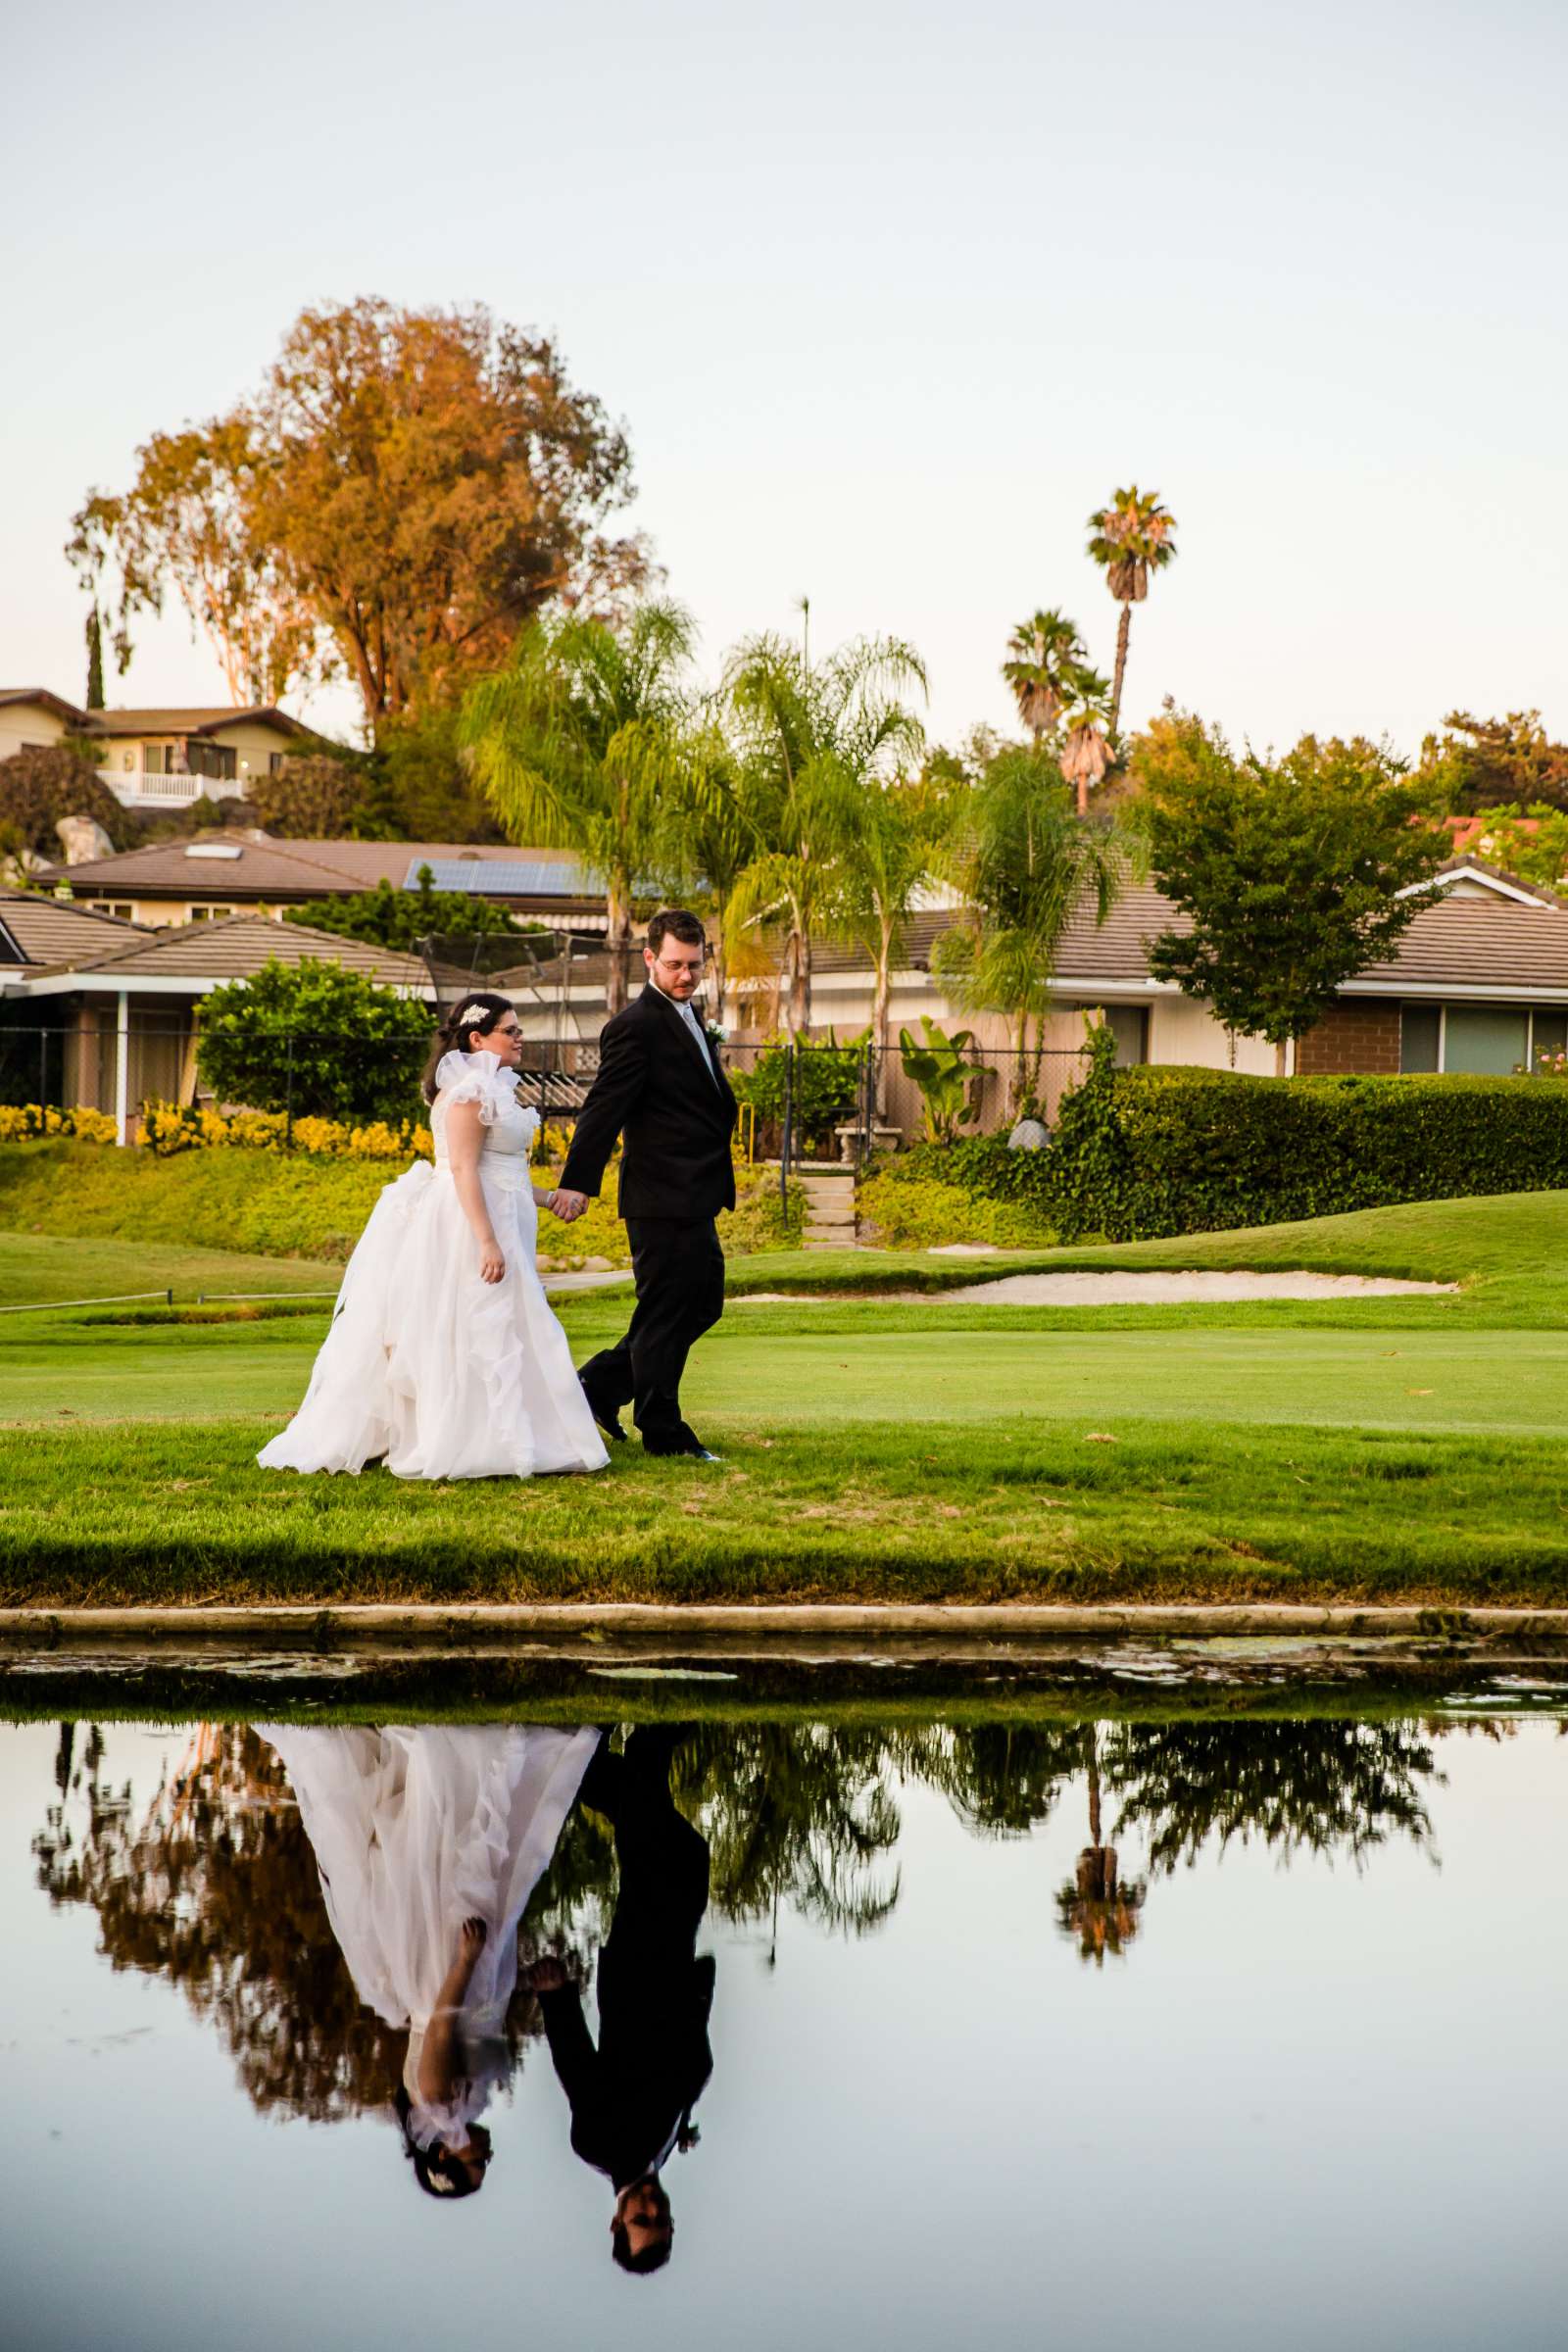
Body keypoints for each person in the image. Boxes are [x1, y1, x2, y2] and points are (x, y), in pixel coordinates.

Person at [258, 993, 608, 1481]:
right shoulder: (466, 1092)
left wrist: (551, 1199)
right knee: (475, 1325)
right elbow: (463, 1171)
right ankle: (466, 1440)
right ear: (477, 1038)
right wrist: (487, 1241)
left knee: (509, 1326)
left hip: (503, 1218)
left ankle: (512, 1435)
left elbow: (500, 1172)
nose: (520, 1038)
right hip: (470, 1226)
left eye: (518, 1030)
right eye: (511, 1030)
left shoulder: (491, 1087)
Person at [257, 1721, 601, 2199]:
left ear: (443, 2154)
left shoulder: (444, 2109)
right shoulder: (448, 2108)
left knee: (461, 1860)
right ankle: (480, 1751)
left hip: (444, 1971)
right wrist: (518, 1981)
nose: (488, 2157)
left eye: (477, 2164)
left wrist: (466, 1959)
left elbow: (442, 2026)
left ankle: (482, 1747)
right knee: (466, 1856)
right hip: (451, 1980)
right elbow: (473, 2029)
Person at [528, 1726, 714, 2275]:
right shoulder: (658, 2152)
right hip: (670, 1968)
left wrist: (557, 1998)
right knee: (667, 1852)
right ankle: (586, 1758)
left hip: (641, 1973)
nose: (654, 2210)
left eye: (642, 2221)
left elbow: (579, 2074)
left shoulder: (600, 2146)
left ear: (616, 2222)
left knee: (672, 1857)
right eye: (663, 2220)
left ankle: (628, 1748)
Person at [553, 910, 737, 1460]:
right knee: (663, 1312)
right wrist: (577, 1183)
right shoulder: (634, 1025)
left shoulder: (688, 1015)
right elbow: (603, 1110)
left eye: (695, 965)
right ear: (650, 958)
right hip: (660, 1196)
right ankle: (663, 1431)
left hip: (695, 1193)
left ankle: (597, 1388)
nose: (686, 975)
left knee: (702, 1304)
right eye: (675, 965)